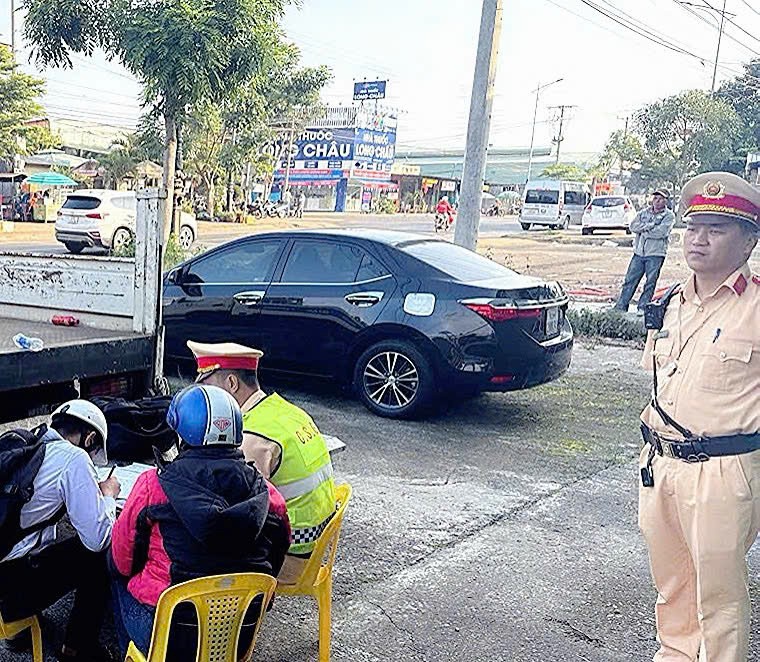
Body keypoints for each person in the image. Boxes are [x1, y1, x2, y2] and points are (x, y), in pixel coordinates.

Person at [637, 171, 760, 662]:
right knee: (672, 587)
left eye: (717, 228)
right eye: (693, 227)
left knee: (720, 598)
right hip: (659, 465)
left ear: (749, 240)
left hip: (724, 471)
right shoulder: (668, 303)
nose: (699, 239)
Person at [109, 384, 290, 659]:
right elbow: (275, 560)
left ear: (181, 435)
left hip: (170, 636)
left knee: (116, 577)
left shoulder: (152, 487)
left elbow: (122, 561)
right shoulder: (269, 496)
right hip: (238, 634)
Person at [187, 341, 337, 583]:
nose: (205, 397)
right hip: (317, 543)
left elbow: (231, 508)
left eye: (207, 387)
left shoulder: (253, 436)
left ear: (231, 384)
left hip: (290, 557)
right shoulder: (285, 411)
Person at [0, 400, 119, 661]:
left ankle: (21, 632)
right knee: (99, 555)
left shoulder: (32, 439)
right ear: (89, 437)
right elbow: (97, 538)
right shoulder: (74, 458)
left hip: (4, 570)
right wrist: (107, 495)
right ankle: (78, 648)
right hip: (9, 591)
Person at [614, 188, 675, 313]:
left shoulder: (668, 216)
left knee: (650, 282)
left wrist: (644, 231)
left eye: (661, 199)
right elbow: (633, 226)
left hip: (655, 254)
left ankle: (643, 307)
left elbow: (661, 232)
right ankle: (621, 306)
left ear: (666, 201)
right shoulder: (643, 213)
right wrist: (649, 226)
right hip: (639, 253)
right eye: (655, 198)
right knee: (630, 280)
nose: (657, 201)